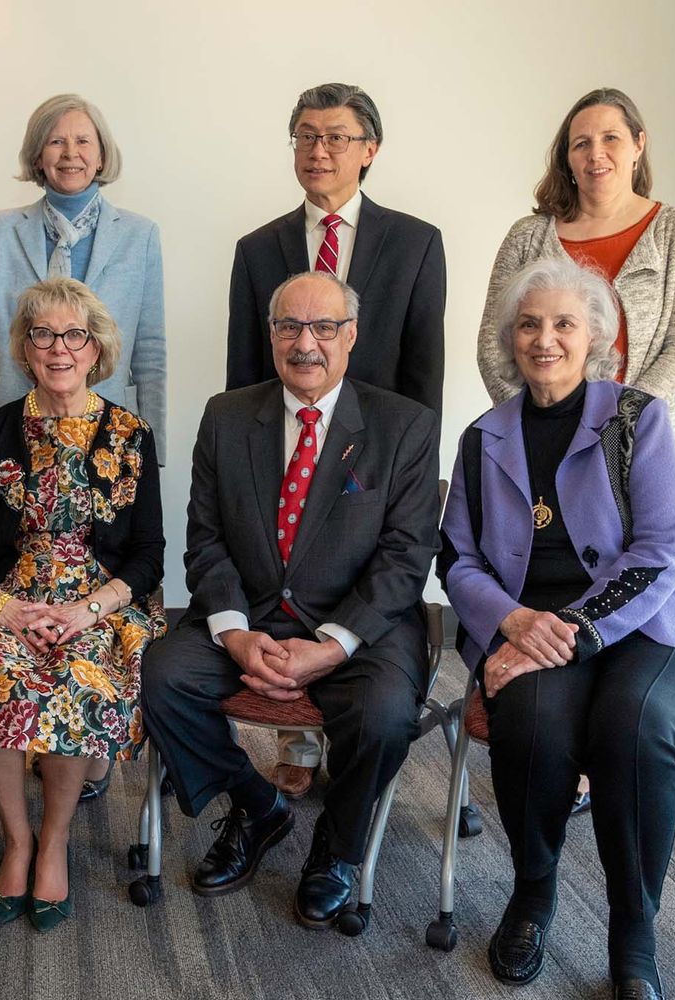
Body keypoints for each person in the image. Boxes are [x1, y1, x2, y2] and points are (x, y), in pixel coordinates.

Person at [441, 258, 675, 1000]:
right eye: (529, 324)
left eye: (564, 323)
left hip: (659, 629)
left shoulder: (638, 420)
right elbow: (459, 559)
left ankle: (634, 933)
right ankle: (533, 893)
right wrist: (510, 621)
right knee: (531, 721)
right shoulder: (483, 438)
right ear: (510, 338)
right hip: (534, 632)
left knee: (632, 725)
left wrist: (561, 630)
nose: (545, 339)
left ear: (595, 335)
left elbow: (660, 553)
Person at [142, 272, 439, 930]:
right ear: (270, 334)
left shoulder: (404, 426)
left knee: (386, 713)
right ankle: (257, 806)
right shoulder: (226, 416)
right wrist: (234, 633)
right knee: (161, 675)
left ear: (351, 335)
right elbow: (206, 538)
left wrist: (332, 645)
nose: (306, 343)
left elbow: (405, 556)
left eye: (323, 327)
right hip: (250, 615)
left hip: (360, 625)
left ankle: (335, 850)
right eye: (288, 327)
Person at [0, 277, 164, 930]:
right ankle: (17, 838)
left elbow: (148, 557)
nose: (59, 348)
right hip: (9, 597)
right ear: (25, 349)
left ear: (96, 347)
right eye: (44, 335)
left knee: (74, 683)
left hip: (96, 605)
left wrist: (88, 611)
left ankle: (53, 843)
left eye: (74, 335)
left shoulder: (129, 435)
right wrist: (3, 609)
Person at [224, 82, 446, 798]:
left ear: (369, 150)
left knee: (357, 606)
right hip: (286, 455)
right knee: (283, 584)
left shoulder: (414, 243)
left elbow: (423, 376)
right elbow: (243, 381)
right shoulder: (258, 248)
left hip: (372, 472)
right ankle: (294, 742)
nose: (318, 150)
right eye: (305, 136)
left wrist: (404, 483)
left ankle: (343, 752)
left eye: (336, 137)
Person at [0, 93, 166, 466]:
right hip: (11, 427)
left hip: (110, 432)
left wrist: (153, 449)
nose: (71, 153)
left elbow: (150, 352)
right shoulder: (4, 230)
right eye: (56, 141)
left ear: (101, 156)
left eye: (83, 141)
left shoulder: (140, 236)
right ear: (38, 156)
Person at [477, 87, 675, 407]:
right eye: (581, 144)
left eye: (610, 138)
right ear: (568, 159)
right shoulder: (526, 237)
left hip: (634, 439)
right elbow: (493, 345)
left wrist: (621, 421)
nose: (596, 154)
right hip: (535, 439)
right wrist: (537, 422)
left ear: (638, 145)